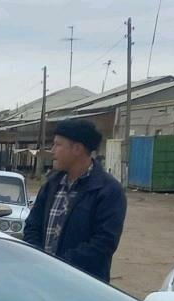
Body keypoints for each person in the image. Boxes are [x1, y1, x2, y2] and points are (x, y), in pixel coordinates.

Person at [23, 118, 126, 282]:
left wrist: (60, 265)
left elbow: (103, 244)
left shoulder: (108, 191)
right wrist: (39, 259)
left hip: (83, 286)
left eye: (58, 145)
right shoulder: (51, 185)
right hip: (43, 280)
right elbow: (32, 226)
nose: (52, 150)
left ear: (77, 149)